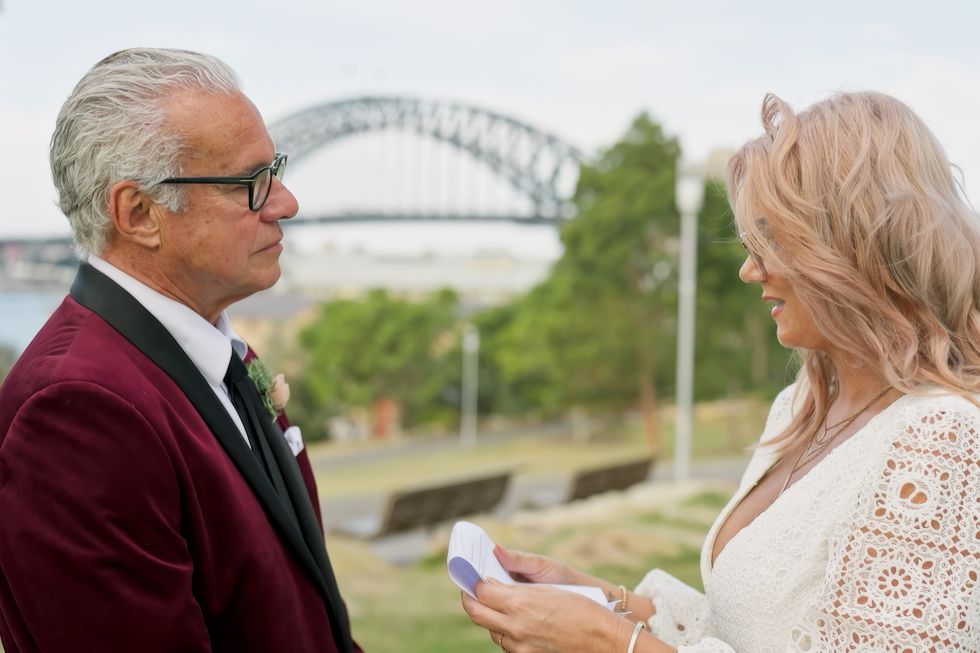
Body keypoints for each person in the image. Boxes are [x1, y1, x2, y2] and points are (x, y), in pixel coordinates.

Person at [461, 91, 980, 651]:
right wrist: (597, 598)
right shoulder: (805, 405)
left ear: (855, 243)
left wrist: (610, 643)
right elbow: (756, 631)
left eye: (772, 239)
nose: (748, 268)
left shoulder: (939, 438)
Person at [0, 48, 361, 653]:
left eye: (275, 169)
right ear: (139, 213)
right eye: (251, 183)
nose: (285, 202)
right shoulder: (75, 412)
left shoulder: (214, 356)